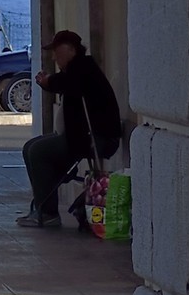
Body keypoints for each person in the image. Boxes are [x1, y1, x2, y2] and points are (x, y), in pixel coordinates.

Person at [17, 29, 123, 229]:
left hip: (95, 138)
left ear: (72, 50)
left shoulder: (83, 68)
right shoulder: (79, 69)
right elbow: (65, 83)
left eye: (58, 51)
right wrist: (49, 83)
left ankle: (47, 213)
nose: (55, 57)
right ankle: (43, 205)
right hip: (82, 136)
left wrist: (48, 82)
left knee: (37, 151)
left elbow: (69, 83)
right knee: (30, 146)